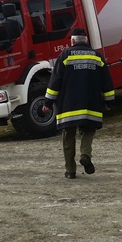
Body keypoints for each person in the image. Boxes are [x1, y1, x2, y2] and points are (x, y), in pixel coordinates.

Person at [42, 28, 115, 178]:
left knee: (68, 136)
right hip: (91, 104)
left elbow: (55, 81)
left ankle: (70, 171)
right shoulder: (97, 56)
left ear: (73, 41)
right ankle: (85, 155)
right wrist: (109, 101)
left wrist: (48, 103)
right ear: (86, 41)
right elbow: (106, 81)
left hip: (69, 105)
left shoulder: (65, 55)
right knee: (88, 130)